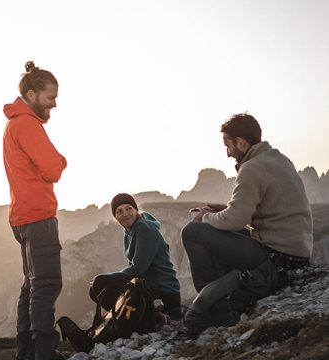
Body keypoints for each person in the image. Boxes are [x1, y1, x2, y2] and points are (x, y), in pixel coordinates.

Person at [181, 113, 313, 294]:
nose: (228, 153)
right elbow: (270, 211)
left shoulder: (252, 168)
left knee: (192, 231)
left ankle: (209, 297)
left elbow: (233, 221)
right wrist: (226, 209)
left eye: (228, 146)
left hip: (278, 257)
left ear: (241, 143)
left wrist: (206, 216)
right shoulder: (280, 160)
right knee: (218, 228)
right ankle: (224, 289)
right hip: (298, 254)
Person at [3, 61, 67, 360]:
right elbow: (53, 167)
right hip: (38, 215)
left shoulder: (16, 123)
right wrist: (61, 161)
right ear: (31, 94)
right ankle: (44, 353)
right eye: (50, 97)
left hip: (22, 215)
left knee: (31, 286)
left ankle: (25, 352)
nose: (54, 103)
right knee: (47, 284)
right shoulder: (27, 124)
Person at [90, 193, 182, 319]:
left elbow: (138, 269)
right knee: (95, 290)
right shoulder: (129, 231)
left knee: (99, 283)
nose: (125, 214)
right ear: (115, 217)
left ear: (136, 209)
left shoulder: (145, 230)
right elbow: (132, 265)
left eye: (129, 208)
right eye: (119, 211)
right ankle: (127, 317)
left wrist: (106, 278)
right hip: (148, 288)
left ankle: (142, 318)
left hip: (164, 293)